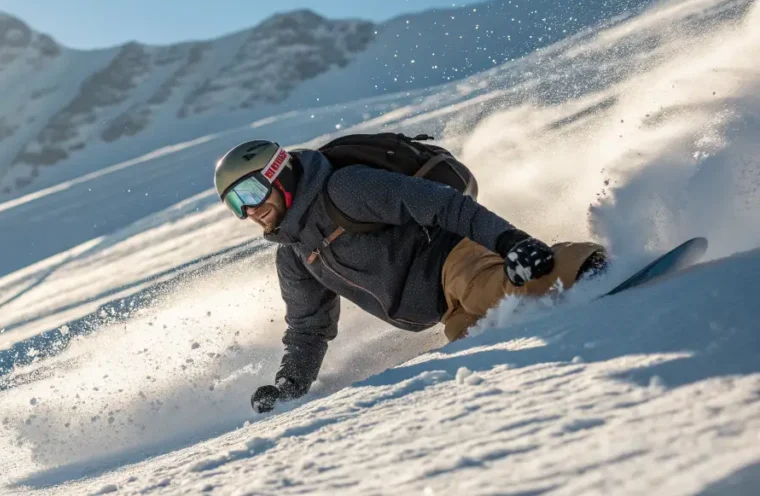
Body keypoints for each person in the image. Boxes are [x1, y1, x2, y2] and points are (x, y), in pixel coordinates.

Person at [214, 139, 607, 414]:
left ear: (278, 173)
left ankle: (589, 264)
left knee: (494, 291)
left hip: (453, 256)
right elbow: (308, 329)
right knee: (485, 336)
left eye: (250, 192)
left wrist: (512, 242)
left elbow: (441, 204)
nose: (249, 211)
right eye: (235, 204)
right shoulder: (294, 256)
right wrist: (289, 387)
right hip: (445, 309)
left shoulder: (344, 189)